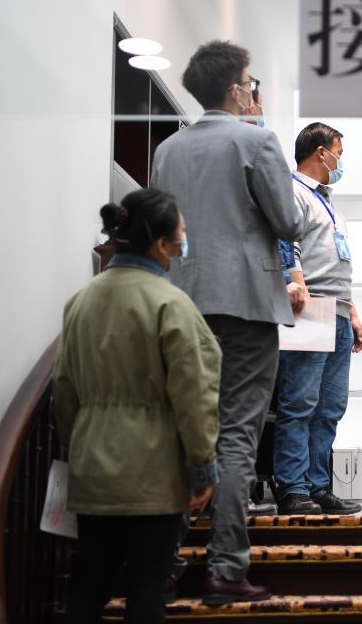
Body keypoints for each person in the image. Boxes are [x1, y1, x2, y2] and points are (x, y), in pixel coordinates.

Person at [150, 40, 303, 604]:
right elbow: (289, 221)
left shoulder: (167, 150)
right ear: (237, 89)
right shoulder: (257, 140)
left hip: (180, 302)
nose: (253, 91)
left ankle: (163, 566)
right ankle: (225, 570)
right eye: (251, 82)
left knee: (182, 430)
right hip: (245, 304)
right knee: (237, 433)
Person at [53, 190, 220, 623]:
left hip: (92, 469)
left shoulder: (81, 301)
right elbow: (194, 394)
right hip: (154, 474)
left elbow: (64, 390)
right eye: (181, 234)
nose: (183, 243)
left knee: (88, 587)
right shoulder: (171, 304)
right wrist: (202, 465)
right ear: (162, 244)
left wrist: (80, 446)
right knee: (147, 590)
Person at [273, 122, 362, 515]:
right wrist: (298, 287)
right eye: (338, 154)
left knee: (330, 407)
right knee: (300, 403)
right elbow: (285, 244)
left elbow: (338, 262)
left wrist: (353, 312)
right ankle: (293, 488)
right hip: (310, 307)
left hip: (339, 312)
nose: (340, 162)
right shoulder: (292, 192)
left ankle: (317, 486)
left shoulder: (329, 203)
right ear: (320, 152)